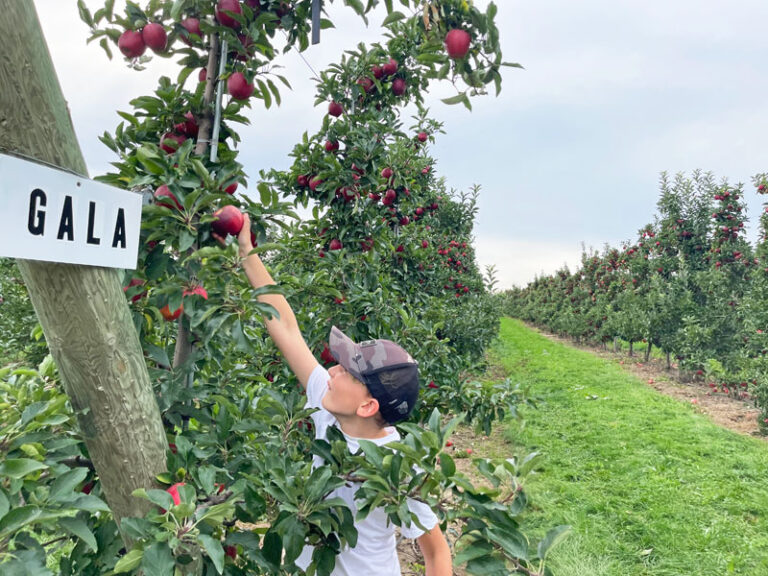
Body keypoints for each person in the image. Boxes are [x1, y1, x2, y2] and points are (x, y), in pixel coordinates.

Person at [223, 214, 452, 576]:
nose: (331, 371)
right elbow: (286, 326)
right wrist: (248, 252)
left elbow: (437, 554)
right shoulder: (328, 408)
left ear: (367, 405)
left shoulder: (398, 465)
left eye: (346, 371)